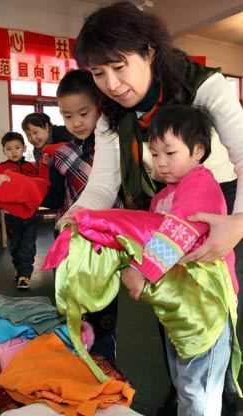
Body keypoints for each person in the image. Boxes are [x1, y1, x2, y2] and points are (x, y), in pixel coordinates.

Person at [68, 2, 243, 415]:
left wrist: (238, 222)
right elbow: (103, 182)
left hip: (217, 202)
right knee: (171, 303)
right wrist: (74, 218)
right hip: (162, 207)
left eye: (119, 66)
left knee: (222, 308)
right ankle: (186, 391)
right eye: (98, 73)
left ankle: (223, 396)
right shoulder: (113, 112)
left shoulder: (203, 85)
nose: (110, 83)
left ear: (148, 51)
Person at [43, 69, 121, 363]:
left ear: (100, 106)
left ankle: (106, 371)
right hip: (67, 240)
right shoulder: (60, 154)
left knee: (103, 315)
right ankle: (76, 370)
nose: (76, 122)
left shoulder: (115, 147)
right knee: (70, 309)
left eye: (83, 113)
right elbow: (52, 198)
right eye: (67, 116)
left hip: (104, 246)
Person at [0, 132, 39, 290]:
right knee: (15, 246)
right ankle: (19, 270)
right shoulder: (1, 168)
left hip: (30, 215)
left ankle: (25, 275)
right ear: (4, 151)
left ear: (24, 148)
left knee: (28, 246)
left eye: (17, 148)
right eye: (9, 149)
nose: (14, 151)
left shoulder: (30, 167)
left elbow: (39, 185)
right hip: (11, 216)